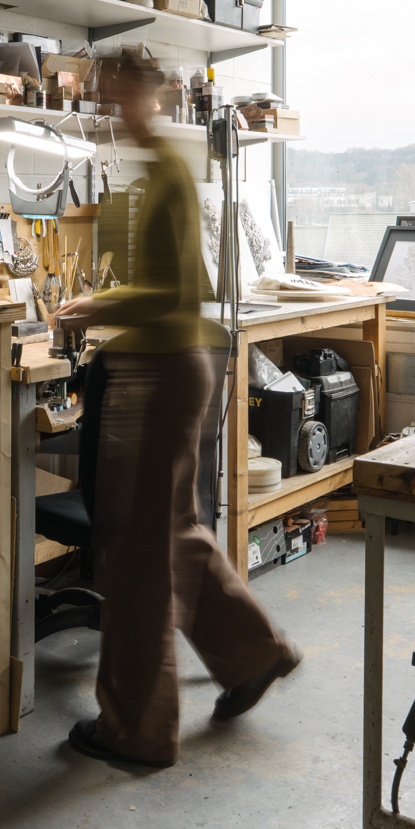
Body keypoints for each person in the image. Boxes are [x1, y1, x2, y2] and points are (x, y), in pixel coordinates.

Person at [53, 52, 300, 769]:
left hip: (159, 369)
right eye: (104, 97)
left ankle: (136, 729)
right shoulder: (153, 173)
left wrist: (94, 305)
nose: (110, 108)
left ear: (151, 95)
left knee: (132, 556)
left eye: (119, 94)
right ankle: (254, 652)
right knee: (171, 531)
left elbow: (176, 291)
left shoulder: (165, 175)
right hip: (176, 363)